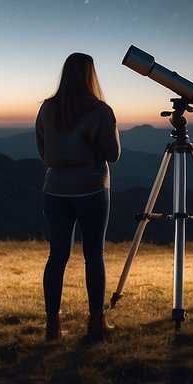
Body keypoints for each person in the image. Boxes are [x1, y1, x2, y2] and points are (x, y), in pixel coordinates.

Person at [35, 53, 121, 342]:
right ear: (90, 75)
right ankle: (97, 323)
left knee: (57, 256)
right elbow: (113, 155)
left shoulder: (47, 108)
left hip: (55, 190)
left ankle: (52, 326)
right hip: (91, 189)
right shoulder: (100, 111)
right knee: (93, 255)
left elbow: (43, 152)